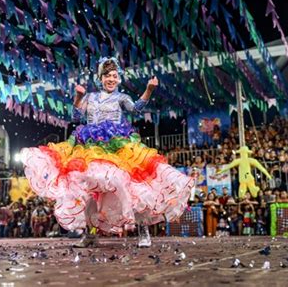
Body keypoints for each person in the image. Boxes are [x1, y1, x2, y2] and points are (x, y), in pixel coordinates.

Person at [21, 57, 194, 247]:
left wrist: (149, 90)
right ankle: (89, 234)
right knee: (88, 189)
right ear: (100, 78)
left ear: (119, 79)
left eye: (114, 76)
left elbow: (136, 109)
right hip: (90, 147)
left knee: (131, 188)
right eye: (107, 76)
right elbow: (76, 116)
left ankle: (143, 231)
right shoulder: (91, 97)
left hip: (118, 146)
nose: (111, 79)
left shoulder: (121, 97)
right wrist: (78, 97)